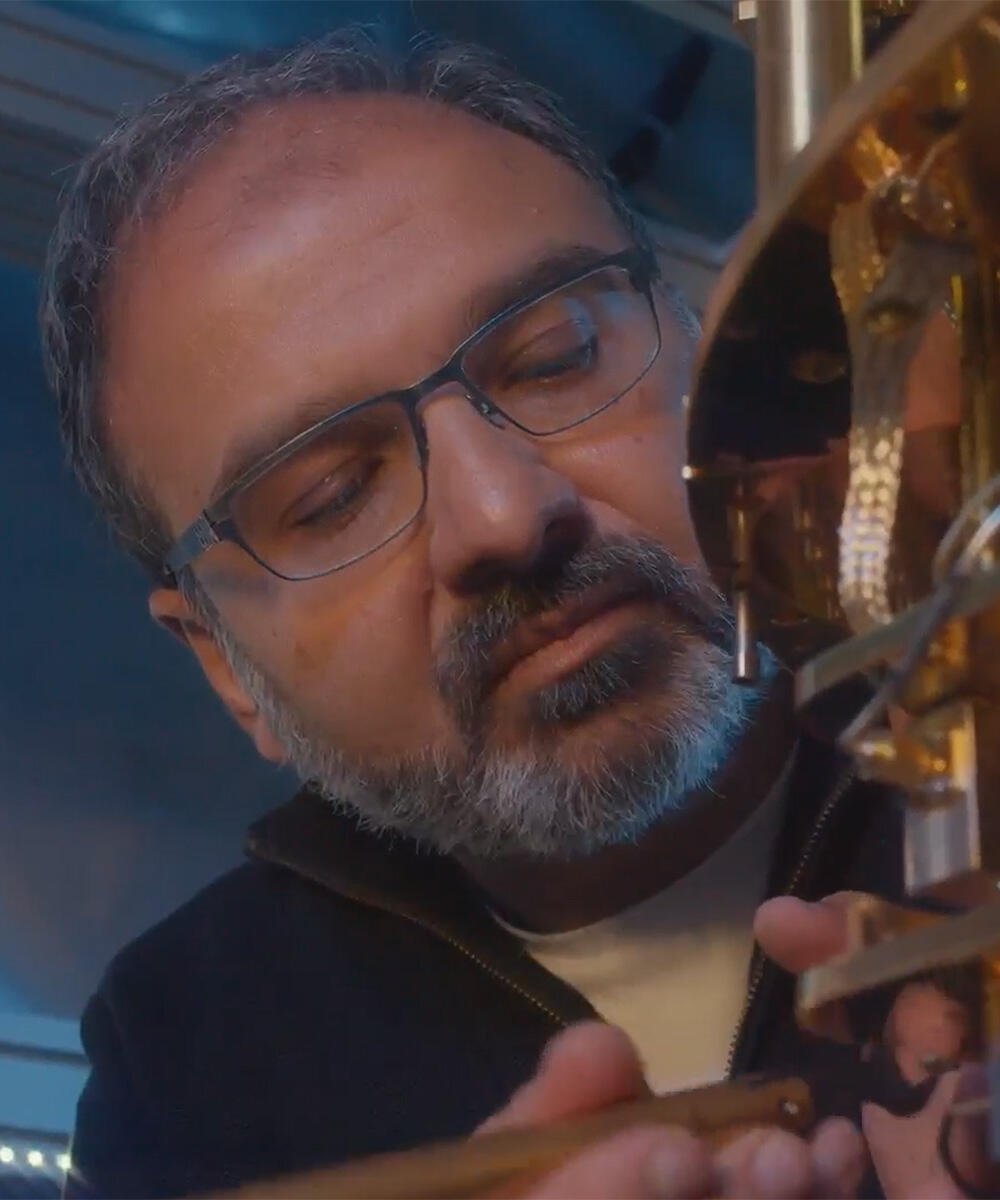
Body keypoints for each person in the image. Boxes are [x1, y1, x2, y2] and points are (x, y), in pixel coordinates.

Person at [39, 28, 983, 1200]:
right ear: (227, 667)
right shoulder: (185, 1054)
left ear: (693, 345)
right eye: (332, 496)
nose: (501, 514)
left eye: (554, 357)